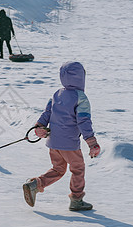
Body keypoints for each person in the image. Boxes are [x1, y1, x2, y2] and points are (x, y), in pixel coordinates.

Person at [22, 61, 101, 211]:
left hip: (53, 142)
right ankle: (77, 200)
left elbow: (47, 113)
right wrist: (92, 142)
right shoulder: (81, 97)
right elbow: (83, 120)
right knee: (78, 169)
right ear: (80, 78)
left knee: (58, 169)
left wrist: (39, 126)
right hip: (69, 144)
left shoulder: (57, 94)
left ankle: (35, 184)